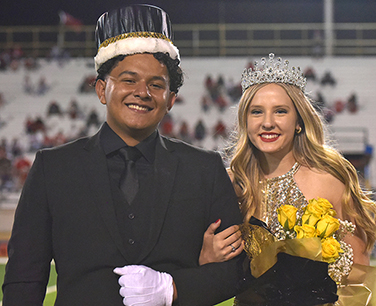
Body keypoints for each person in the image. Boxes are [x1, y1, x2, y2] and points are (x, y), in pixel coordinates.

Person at [2, 5, 244, 306]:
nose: (142, 92)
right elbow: (24, 280)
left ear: (170, 99)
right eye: (129, 80)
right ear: (102, 90)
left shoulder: (204, 168)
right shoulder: (53, 168)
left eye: (156, 84)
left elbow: (238, 270)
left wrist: (173, 288)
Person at [200, 54, 376, 305]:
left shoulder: (329, 180)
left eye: (280, 111)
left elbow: (358, 271)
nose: (268, 123)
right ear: (246, 121)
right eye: (257, 112)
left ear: (298, 121)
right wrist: (207, 257)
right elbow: (206, 272)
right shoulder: (229, 185)